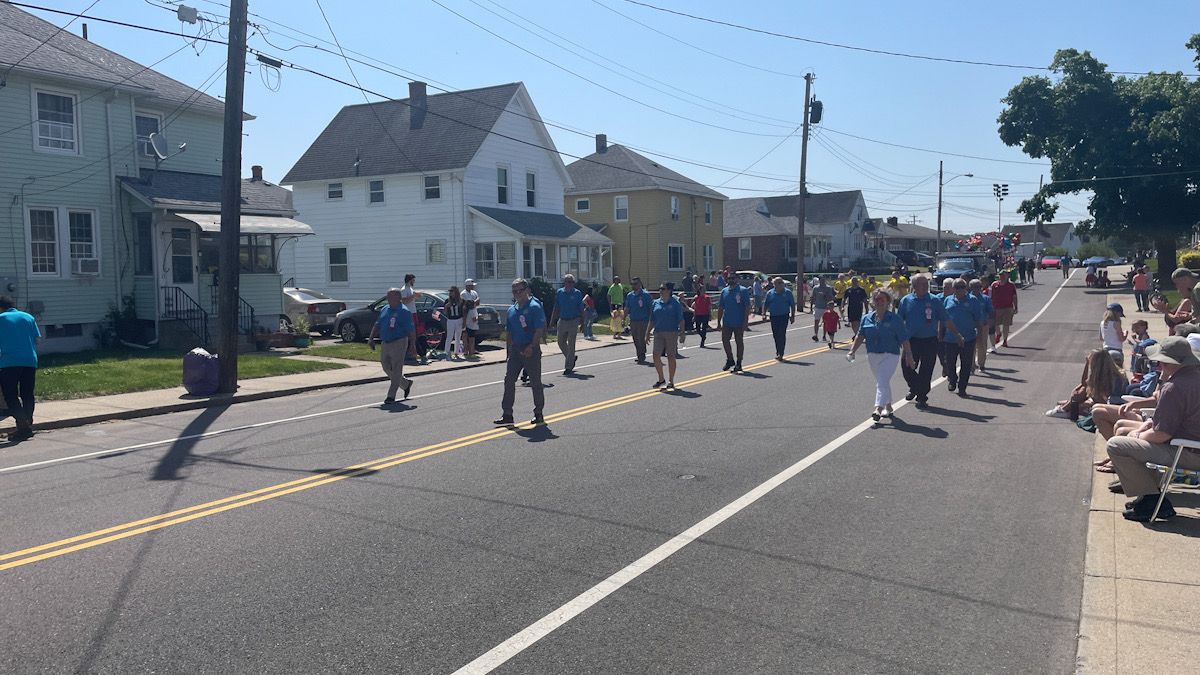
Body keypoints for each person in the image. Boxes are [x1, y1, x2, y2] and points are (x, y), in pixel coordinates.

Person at [1105, 337, 1200, 521]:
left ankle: (1152, 501)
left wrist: (1137, 435)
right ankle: (1147, 498)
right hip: (1191, 447)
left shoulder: (1174, 387)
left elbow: (1161, 434)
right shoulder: (1193, 378)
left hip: (1188, 452)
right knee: (1134, 442)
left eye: (1161, 362)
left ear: (1170, 363)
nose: (1159, 365)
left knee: (1116, 445)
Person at [848, 288, 915, 422]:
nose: (879, 302)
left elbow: (904, 339)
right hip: (872, 354)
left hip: (891, 354)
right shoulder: (866, 318)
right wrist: (852, 350)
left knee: (882, 381)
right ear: (873, 301)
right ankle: (888, 406)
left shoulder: (895, 319)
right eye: (877, 299)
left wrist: (909, 355)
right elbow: (860, 336)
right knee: (882, 381)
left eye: (882, 299)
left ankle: (878, 409)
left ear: (888, 301)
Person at [496, 278, 547, 427]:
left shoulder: (534, 307)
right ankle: (507, 414)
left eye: (520, 290)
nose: (517, 293)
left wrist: (532, 346)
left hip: (531, 349)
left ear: (526, 290)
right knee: (509, 380)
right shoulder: (512, 310)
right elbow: (509, 333)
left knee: (535, 382)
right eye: (515, 291)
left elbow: (539, 329)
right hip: (516, 349)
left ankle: (538, 413)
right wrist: (508, 352)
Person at [898, 274, 948, 409]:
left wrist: (951, 335)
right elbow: (899, 321)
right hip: (911, 341)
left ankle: (921, 396)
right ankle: (915, 387)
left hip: (929, 340)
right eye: (922, 284)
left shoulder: (934, 300)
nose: (926, 286)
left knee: (926, 369)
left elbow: (945, 318)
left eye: (927, 284)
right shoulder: (906, 300)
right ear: (914, 286)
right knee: (907, 367)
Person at [0, 296, 41, 441]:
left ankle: (23, 424)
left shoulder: (1, 318)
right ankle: (26, 425)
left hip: (9, 361)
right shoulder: (28, 317)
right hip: (30, 360)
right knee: (27, 393)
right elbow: (37, 340)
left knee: (10, 394)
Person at [367, 288, 417, 404]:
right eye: (387, 296)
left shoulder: (404, 311)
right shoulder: (385, 309)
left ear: (398, 298)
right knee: (385, 366)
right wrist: (371, 338)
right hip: (386, 342)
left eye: (390, 296)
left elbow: (411, 329)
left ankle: (391, 396)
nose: (387, 298)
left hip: (399, 341)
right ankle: (405, 384)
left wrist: (412, 344)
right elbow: (377, 324)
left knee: (396, 368)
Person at [942, 279, 985, 397]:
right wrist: (940, 334)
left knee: (966, 364)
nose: (960, 289)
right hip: (950, 338)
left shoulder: (973, 300)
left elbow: (978, 320)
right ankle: (952, 379)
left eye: (962, 287)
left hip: (968, 338)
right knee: (949, 362)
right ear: (953, 289)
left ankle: (962, 387)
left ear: (966, 288)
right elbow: (943, 318)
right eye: (957, 287)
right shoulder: (948, 300)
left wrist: (980, 336)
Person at [649, 283, 686, 388]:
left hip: (671, 332)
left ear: (669, 290)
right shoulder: (655, 303)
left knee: (670, 356)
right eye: (660, 288)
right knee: (656, 355)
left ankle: (671, 380)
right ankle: (661, 379)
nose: (660, 290)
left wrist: (682, 334)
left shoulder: (675, 303)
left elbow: (681, 320)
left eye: (663, 288)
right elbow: (652, 320)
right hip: (658, 333)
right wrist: (647, 333)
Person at [550, 274, 584, 375]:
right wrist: (552, 320)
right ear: (564, 282)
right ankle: (571, 358)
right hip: (562, 320)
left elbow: (581, 309)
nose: (569, 284)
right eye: (567, 282)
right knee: (560, 342)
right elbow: (556, 307)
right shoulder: (560, 292)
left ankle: (568, 367)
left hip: (573, 320)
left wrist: (582, 322)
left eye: (571, 282)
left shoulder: (577, 293)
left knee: (571, 343)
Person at [717, 273, 751, 371]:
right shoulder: (724, 291)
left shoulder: (743, 290)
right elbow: (721, 307)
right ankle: (730, 359)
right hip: (727, 321)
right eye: (729, 278)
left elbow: (747, 306)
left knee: (739, 342)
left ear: (737, 279)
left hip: (739, 321)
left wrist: (745, 321)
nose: (731, 280)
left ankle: (739, 362)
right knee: (725, 340)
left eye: (733, 278)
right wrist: (718, 322)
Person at [1150, 268, 1195, 332]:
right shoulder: (1184, 300)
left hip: (1182, 333)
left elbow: (1176, 319)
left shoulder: (1187, 301)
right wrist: (1166, 310)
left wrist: (1165, 311)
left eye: (1177, 284)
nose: (1178, 290)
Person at [763, 276, 796, 360]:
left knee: (781, 333)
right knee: (775, 334)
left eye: (782, 282)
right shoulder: (770, 293)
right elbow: (766, 304)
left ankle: (781, 353)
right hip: (773, 316)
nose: (782, 284)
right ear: (774, 284)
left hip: (784, 316)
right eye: (779, 283)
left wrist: (792, 316)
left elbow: (792, 305)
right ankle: (778, 351)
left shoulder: (787, 292)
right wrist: (764, 314)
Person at [624, 277, 653, 363]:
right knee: (635, 338)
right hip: (633, 320)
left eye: (635, 284)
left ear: (640, 284)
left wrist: (652, 320)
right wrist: (623, 318)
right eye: (632, 284)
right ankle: (639, 354)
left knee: (641, 338)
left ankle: (642, 354)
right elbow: (627, 307)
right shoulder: (630, 295)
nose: (633, 285)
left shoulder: (646, 295)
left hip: (643, 321)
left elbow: (651, 308)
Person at [988, 270, 1018, 352]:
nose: (1002, 277)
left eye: (1004, 275)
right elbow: (990, 296)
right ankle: (998, 334)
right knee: (995, 324)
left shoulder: (1011, 285)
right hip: (996, 307)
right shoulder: (994, 284)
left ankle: (1005, 340)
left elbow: (1014, 296)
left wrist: (1016, 307)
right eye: (1000, 275)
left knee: (1006, 324)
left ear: (1007, 276)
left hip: (1008, 307)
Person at [969, 278, 994, 373]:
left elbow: (990, 310)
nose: (976, 289)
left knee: (982, 345)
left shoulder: (985, 298)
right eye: (974, 287)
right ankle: (971, 365)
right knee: (971, 346)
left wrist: (990, 321)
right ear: (970, 287)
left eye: (978, 287)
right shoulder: (967, 298)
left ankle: (981, 364)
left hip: (983, 325)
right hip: (970, 326)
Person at [443, 286, 467, 360]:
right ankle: (446, 352)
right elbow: (445, 312)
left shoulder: (461, 301)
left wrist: (464, 322)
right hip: (450, 320)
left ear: (456, 292)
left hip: (459, 319)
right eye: (450, 291)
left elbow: (464, 312)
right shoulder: (447, 301)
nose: (450, 293)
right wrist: (446, 306)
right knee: (449, 336)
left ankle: (456, 352)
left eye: (452, 291)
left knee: (458, 336)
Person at [1101, 302, 1127, 367]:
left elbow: (1101, 338)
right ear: (1117, 313)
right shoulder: (1116, 323)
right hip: (1116, 349)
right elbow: (1121, 339)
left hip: (1105, 349)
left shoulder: (1102, 323)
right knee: (1118, 369)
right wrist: (1125, 333)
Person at [810, 276, 834, 342]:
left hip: (825, 307)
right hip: (817, 307)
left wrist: (826, 296)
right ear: (819, 281)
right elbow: (812, 297)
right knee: (816, 321)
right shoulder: (815, 288)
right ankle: (816, 335)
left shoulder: (828, 288)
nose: (822, 281)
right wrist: (811, 307)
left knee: (825, 322)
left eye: (823, 280)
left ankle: (824, 336)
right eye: (821, 280)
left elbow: (831, 298)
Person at [461, 279, 481, 359]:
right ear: (468, 285)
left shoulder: (474, 293)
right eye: (472, 285)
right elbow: (468, 305)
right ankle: (466, 351)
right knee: (466, 334)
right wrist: (474, 302)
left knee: (472, 334)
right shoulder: (463, 294)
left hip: (474, 313)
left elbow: (477, 302)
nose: (473, 287)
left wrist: (474, 302)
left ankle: (472, 350)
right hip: (467, 315)